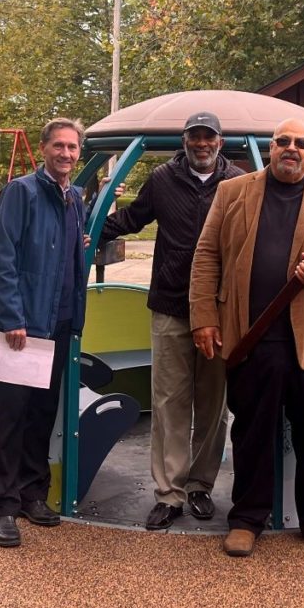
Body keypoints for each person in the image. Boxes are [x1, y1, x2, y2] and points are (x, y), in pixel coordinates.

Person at [189, 118, 304, 558]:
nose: (291, 148)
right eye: (283, 141)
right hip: (251, 337)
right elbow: (207, 253)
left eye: (300, 143)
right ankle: (247, 519)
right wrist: (204, 317)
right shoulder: (234, 191)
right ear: (271, 148)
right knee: (251, 432)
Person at [100, 112, 244, 531]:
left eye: (209, 138)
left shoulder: (237, 183)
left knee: (213, 403)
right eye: (194, 137)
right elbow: (132, 218)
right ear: (184, 141)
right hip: (170, 305)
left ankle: (200, 485)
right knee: (168, 401)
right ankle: (169, 492)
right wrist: (89, 232)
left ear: (220, 141)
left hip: (219, 310)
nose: (202, 144)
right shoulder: (163, 179)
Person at [0, 118, 89, 548]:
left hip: (58, 323)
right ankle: (4, 506)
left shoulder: (74, 197)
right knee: (11, 417)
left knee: (43, 414)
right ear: (43, 149)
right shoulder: (21, 192)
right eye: (58, 146)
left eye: (72, 147)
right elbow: (1, 257)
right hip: (23, 325)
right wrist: (12, 317)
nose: (65, 154)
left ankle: (31, 494)